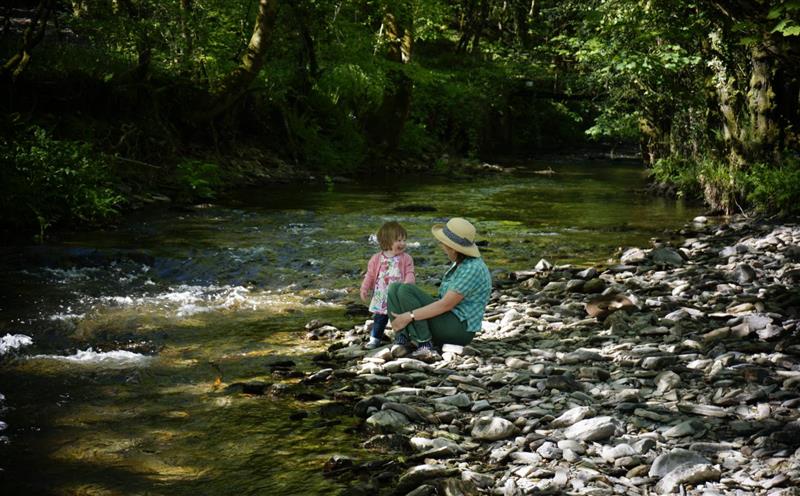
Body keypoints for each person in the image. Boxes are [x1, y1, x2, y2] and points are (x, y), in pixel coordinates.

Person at [388, 217, 492, 361]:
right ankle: (402, 339)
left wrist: (409, 316)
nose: (441, 245)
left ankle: (425, 344)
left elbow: (446, 304)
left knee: (406, 291)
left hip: (459, 329)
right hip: (448, 320)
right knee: (394, 288)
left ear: (453, 248)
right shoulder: (461, 263)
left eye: (443, 243)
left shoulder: (472, 268)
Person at [360, 221, 416, 349]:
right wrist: (364, 288)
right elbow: (369, 275)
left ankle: (401, 337)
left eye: (404, 240)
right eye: (399, 240)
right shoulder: (376, 258)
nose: (403, 243)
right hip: (381, 294)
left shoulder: (406, 258)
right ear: (387, 241)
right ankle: (375, 338)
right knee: (379, 318)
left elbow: (410, 272)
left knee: (400, 317)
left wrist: (408, 284)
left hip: (398, 295)